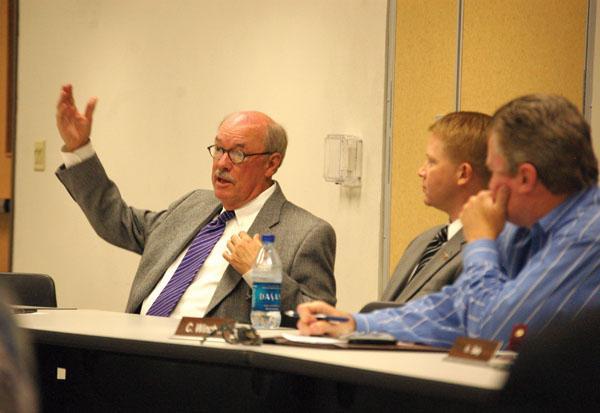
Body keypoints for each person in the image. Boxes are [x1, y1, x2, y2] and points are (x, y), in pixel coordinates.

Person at [298, 94, 599, 348]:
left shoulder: (589, 235)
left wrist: (481, 242)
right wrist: (356, 323)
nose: (487, 186)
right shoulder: (523, 228)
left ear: (525, 177)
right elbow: (455, 308)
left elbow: (494, 330)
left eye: (493, 172)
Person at [55, 84, 336, 324]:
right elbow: (118, 222)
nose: (222, 164)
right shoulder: (194, 205)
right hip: (136, 351)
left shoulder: (307, 233)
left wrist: (263, 274)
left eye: (238, 154)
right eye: (219, 150)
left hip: (211, 371)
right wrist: (79, 149)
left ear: (271, 164)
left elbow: (318, 322)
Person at [371, 111, 491, 308]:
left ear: (463, 173)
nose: (421, 171)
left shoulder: (482, 251)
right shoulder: (423, 241)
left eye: (432, 162)